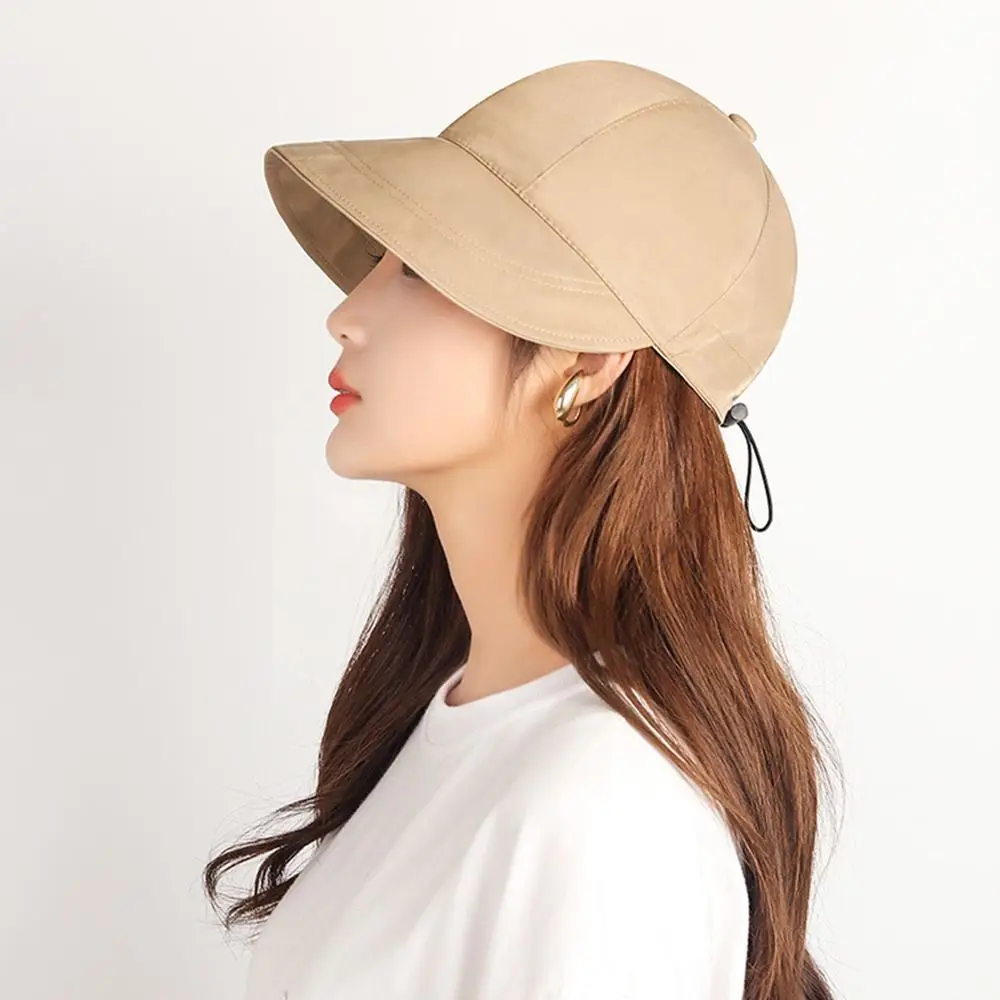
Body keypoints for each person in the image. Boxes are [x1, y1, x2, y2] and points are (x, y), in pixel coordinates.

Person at [204, 59, 840, 1000]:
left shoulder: (605, 806)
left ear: (590, 356)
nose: (345, 315)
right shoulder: (458, 731)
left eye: (420, 269)